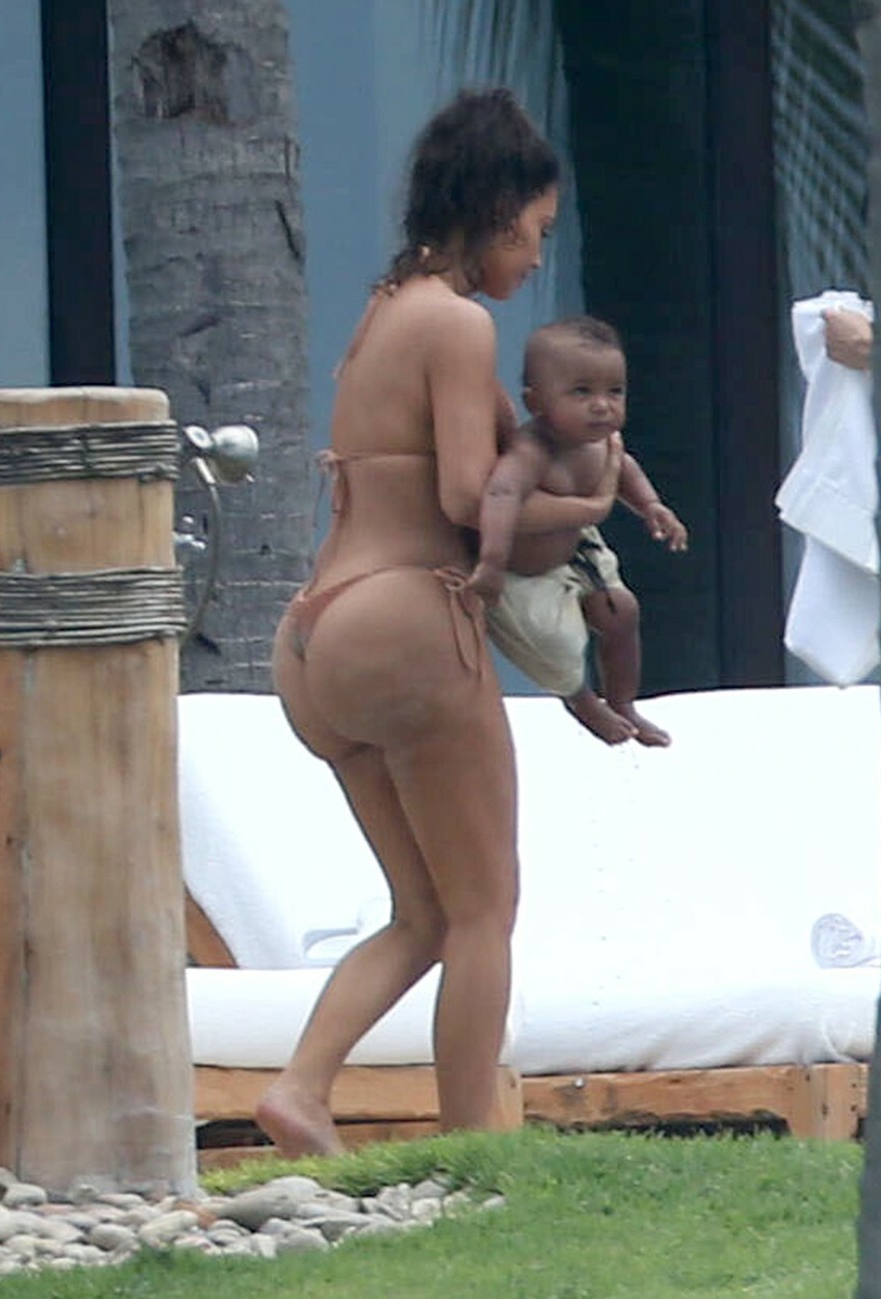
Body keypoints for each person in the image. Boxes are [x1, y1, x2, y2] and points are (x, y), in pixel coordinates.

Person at [256, 89, 622, 1158]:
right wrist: (593, 508)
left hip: (315, 636)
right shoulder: (458, 323)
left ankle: (300, 1090)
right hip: (405, 618)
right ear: (499, 209)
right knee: (483, 909)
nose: (536, 259)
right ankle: (474, 1152)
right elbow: (469, 496)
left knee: (422, 910)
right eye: (536, 232)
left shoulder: (386, 307)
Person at [467, 315, 688, 746]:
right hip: (522, 570)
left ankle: (623, 702)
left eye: (615, 391)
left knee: (622, 612)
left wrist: (651, 506)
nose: (602, 405)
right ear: (535, 402)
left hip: (578, 548)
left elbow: (624, 471)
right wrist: (491, 562)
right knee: (557, 648)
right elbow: (500, 494)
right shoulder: (531, 450)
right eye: (582, 392)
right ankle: (580, 698)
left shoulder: (601, 443)